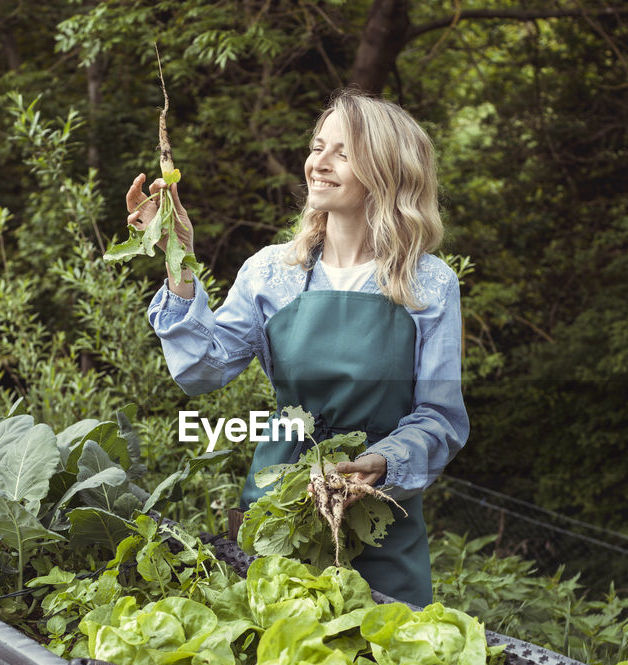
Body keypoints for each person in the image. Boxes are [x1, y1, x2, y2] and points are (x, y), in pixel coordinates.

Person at [128, 89, 468, 607]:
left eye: (342, 152)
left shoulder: (429, 284)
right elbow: (201, 371)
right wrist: (178, 259)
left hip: (379, 517)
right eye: (316, 147)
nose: (318, 163)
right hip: (277, 512)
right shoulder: (272, 272)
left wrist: (381, 461)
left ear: (387, 170)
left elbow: (439, 419)